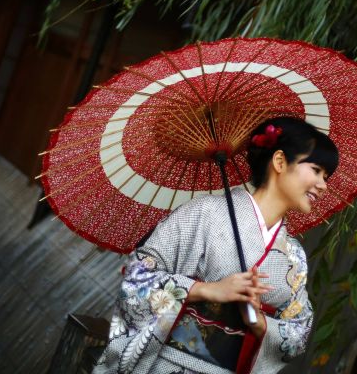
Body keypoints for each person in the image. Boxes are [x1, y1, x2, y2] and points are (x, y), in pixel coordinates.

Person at [94, 116, 339, 374]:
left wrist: (259, 323)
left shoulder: (294, 257)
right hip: (168, 365)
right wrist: (206, 290)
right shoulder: (205, 214)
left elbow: (298, 332)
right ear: (279, 162)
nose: (323, 185)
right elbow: (136, 279)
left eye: (326, 176)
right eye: (316, 170)